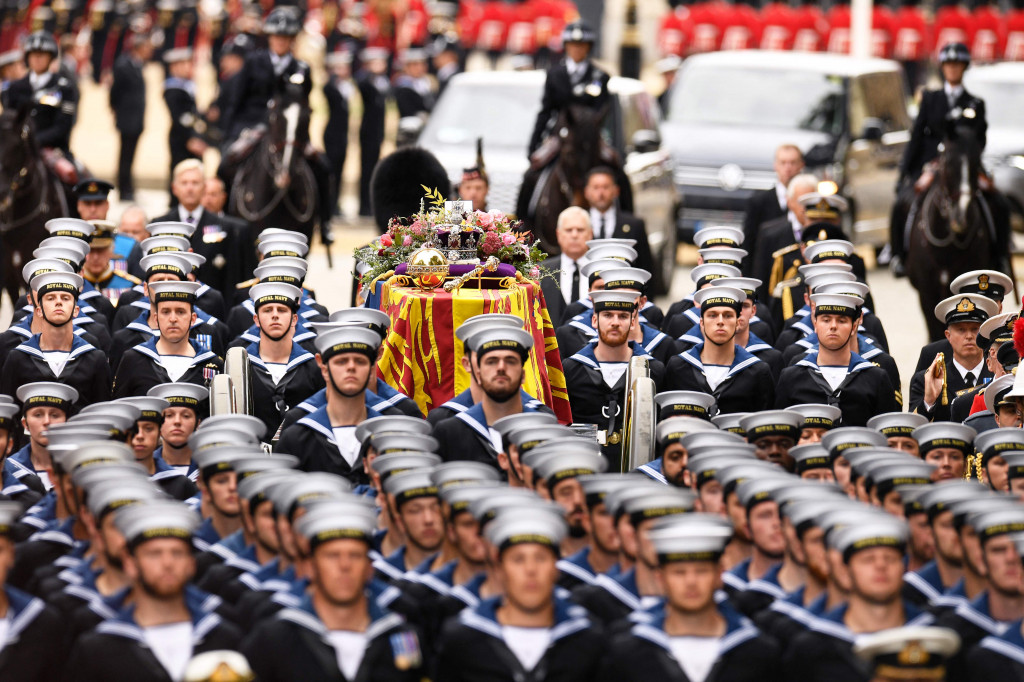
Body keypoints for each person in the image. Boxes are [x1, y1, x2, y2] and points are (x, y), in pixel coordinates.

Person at [242, 497, 427, 680]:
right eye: (332, 556)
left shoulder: (402, 638)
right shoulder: (274, 640)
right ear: (311, 567)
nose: (344, 566)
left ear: (370, 568)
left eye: (355, 555)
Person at [66, 501, 243, 681]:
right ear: (130, 564)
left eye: (177, 553)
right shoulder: (98, 649)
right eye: (154, 554)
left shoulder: (224, 637)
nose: (167, 563)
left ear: (191, 564)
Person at [599, 514, 782, 682]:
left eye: (702, 571)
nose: (691, 582)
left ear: (719, 575)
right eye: (679, 573)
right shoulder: (628, 654)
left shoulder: (758, 652)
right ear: (661, 579)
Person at [435, 508, 605, 681]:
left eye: (540, 558)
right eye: (518, 559)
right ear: (500, 569)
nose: (530, 570)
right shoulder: (463, 640)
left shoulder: (587, 639)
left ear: (556, 568)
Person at [891, 42, 989, 276]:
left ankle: (999, 252)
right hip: (931, 165)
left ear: (964, 68)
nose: (953, 69)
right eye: (948, 65)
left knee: (997, 203)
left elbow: (980, 140)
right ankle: (898, 254)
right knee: (902, 204)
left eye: (957, 65)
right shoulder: (930, 98)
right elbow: (916, 136)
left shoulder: (975, 103)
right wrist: (904, 172)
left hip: (963, 166)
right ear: (942, 68)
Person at [563, 290, 666, 461]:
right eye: (608, 315)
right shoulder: (571, 368)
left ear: (633, 322)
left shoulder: (653, 370)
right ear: (594, 320)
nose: (615, 323)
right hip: (585, 467)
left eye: (623, 316)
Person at [274, 326, 382, 481]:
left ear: (371, 369)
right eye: (341, 361)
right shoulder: (296, 439)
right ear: (324, 369)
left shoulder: (387, 435)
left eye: (360, 361)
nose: (351, 367)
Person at [433, 325, 547, 471]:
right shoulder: (449, 433)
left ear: (523, 375)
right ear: (478, 375)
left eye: (510, 361)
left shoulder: (543, 429)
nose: (501, 367)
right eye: (491, 361)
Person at [776, 293, 900, 425]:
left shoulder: (876, 378)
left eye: (842, 320)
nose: (833, 326)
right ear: (815, 324)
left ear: (854, 327)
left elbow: (886, 435)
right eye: (826, 319)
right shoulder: (791, 377)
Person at [1, 271, 111, 407]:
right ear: (38, 310)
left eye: (65, 298)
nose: (58, 302)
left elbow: (101, 414)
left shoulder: (95, 359)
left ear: (76, 310)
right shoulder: (18, 358)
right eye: (50, 298)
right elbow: (9, 415)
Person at [665, 287, 775, 414]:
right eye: (712, 315)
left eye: (728, 315)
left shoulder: (758, 371)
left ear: (738, 322)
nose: (720, 321)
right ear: (701, 323)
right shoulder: (678, 367)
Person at [153, 160, 246, 301]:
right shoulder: (160, 225)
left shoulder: (224, 227)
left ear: (204, 187)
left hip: (212, 309)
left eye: (195, 183)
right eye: (184, 183)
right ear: (174, 188)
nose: (190, 188)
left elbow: (231, 278)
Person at [112, 281, 223, 398]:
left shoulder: (212, 364)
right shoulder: (133, 359)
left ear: (193, 319)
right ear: (156, 318)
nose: (173, 319)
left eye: (180, 312)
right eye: (166, 312)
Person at [220, 6, 311, 148]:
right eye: (276, 36)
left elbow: (304, 107)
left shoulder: (302, 69)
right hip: (250, 126)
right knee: (226, 164)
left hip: (287, 131)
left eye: (285, 37)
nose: (280, 41)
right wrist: (228, 134)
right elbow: (236, 99)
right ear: (269, 37)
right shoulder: (253, 62)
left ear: (292, 39)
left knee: (320, 166)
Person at [243, 282, 325, 438]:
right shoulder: (240, 364)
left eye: (282, 310)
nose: (275, 315)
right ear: (256, 320)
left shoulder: (313, 367)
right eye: (267, 310)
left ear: (294, 319)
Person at [910, 293, 997, 421]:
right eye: (961, 330)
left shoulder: (998, 375)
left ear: (984, 335)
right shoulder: (926, 380)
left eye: (975, 329)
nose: (968, 336)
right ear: (948, 335)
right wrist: (928, 402)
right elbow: (912, 430)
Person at [5, 31, 78, 181]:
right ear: (27, 57)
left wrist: (34, 141)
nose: (37, 59)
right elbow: (10, 121)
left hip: (52, 149)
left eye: (42, 54)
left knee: (74, 181)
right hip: (18, 149)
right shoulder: (14, 88)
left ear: (50, 57)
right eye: (33, 54)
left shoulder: (64, 88)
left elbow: (63, 127)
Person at [529, 21, 610, 156]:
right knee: (534, 172)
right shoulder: (554, 74)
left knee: (613, 167)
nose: (577, 49)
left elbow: (602, 111)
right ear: (566, 46)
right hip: (559, 136)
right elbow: (546, 111)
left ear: (589, 47)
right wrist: (534, 143)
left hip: (590, 137)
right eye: (572, 45)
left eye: (581, 45)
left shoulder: (600, 76)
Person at [744, 144, 804, 274]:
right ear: (775, 165)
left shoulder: (808, 201)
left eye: (792, 163)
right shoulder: (758, 202)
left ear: (801, 165)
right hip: (766, 273)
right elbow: (749, 244)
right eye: (783, 163)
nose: (788, 168)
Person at [583, 167, 653, 276]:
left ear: (616, 191)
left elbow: (646, 268)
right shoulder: (576, 224)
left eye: (605, 187)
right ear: (586, 192)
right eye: (596, 187)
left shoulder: (634, 225)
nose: (601, 193)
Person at [109, 32, 152, 201]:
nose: (150, 51)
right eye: (147, 47)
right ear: (139, 48)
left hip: (136, 119)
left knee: (131, 155)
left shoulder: (138, 65)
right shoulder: (123, 65)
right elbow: (114, 92)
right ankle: (123, 189)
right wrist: (116, 111)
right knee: (125, 156)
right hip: (127, 119)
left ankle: (129, 188)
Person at [163, 48, 208, 200]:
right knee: (181, 173)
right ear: (174, 67)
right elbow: (181, 117)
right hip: (181, 138)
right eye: (183, 64)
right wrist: (191, 138)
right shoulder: (173, 88)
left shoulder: (187, 85)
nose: (188, 67)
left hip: (190, 135)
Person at [540, 206, 593, 326]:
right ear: (558, 234)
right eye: (569, 230)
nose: (574, 235)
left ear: (590, 234)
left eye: (580, 230)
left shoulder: (600, 271)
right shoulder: (541, 272)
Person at [355, 47, 390, 217]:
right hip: (368, 132)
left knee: (374, 168)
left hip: (377, 132)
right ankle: (364, 206)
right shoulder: (366, 81)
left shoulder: (381, 81)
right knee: (367, 169)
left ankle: (370, 205)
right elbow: (361, 84)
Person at [80, 220, 142, 306]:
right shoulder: (75, 284)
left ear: (111, 251)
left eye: (101, 250)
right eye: (91, 251)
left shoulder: (131, 285)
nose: (95, 257)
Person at [323, 51, 353, 218]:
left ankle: (336, 204)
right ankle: (330, 205)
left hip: (342, 135)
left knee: (340, 171)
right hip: (332, 135)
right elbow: (328, 91)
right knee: (332, 172)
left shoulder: (345, 87)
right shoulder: (330, 87)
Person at [393, 48, 435, 119]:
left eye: (423, 64)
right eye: (415, 64)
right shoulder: (402, 86)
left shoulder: (430, 82)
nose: (420, 68)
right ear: (406, 67)